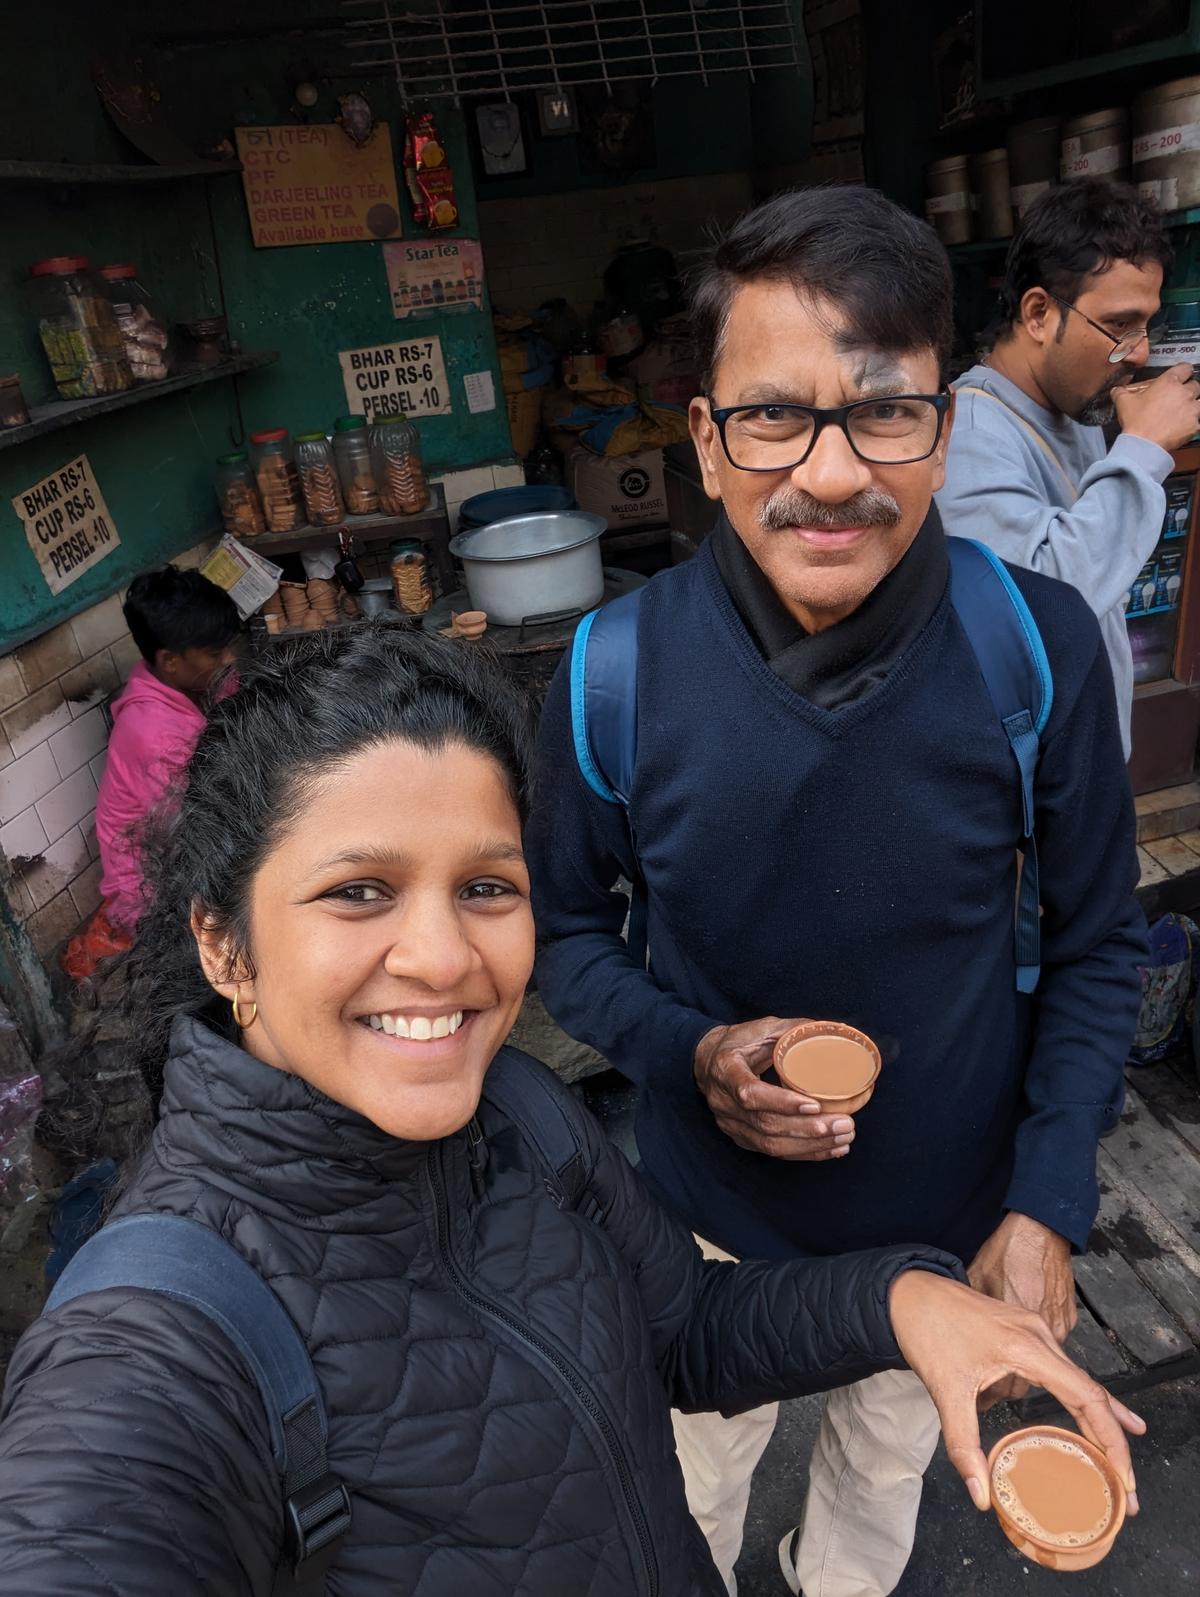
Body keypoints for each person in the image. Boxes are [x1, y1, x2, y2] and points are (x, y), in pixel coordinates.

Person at [0, 625, 1142, 1597]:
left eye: (487, 887)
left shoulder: (520, 1114)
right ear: (221, 938)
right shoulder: (155, 1347)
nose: (445, 956)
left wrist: (907, 1297)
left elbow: (687, 1328)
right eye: (360, 891)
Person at [525, 186, 1147, 1597]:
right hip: (703, 1229)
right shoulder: (614, 676)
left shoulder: (1028, 645)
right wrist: (689, 1051)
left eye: (883, 411)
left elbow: (1102, 942)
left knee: (878, 1475)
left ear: (944, 420)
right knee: (689, 1481)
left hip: (948, 1217)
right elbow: (565, 936)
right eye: (772, 416)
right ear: (705, 435)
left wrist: (1043, 1202)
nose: (827, 472)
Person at [937, 178, 1200, 758]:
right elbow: (1033, 606)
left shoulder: (1074, 408)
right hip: (1035, 792)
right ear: (1037, 312)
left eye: (1147, 325)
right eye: (1119, 325)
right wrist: (1144, 448)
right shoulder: (971, 433)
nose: (1139, 352)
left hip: (1083, 764)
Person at [61, 565, 239, 982]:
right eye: (215, 653)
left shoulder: (194, 681)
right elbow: (198, 829)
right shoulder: (156, 734)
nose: (229, 660)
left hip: (187, 835)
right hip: (152, 882)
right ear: (170, 661)